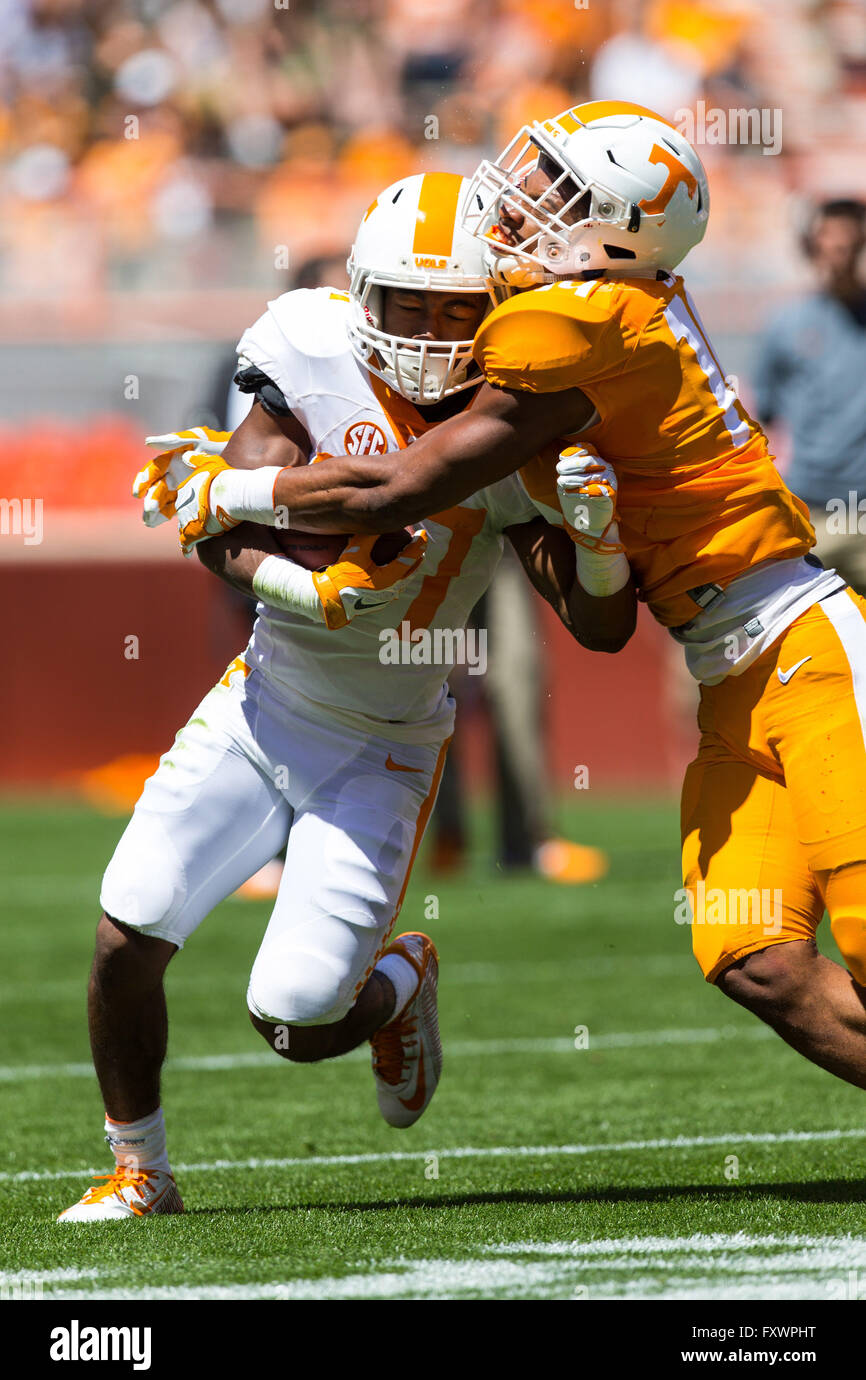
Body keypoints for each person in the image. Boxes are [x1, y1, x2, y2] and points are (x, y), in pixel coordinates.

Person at [175, 101, 866, 1101]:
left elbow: (406, 486)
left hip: (802, 645)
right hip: (726, 667)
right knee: (752, 955)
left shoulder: (584, 319)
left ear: (621, 227)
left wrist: (225, 488)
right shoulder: (585, 304)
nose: (523, 193)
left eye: (559, 186)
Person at [58, 171, 634, 1221]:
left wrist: (597, 550)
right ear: (359, 294)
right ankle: (140, 1169)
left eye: (451, 307)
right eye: (402, 302)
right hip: (266, 696)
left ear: (492, 306)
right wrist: (298, 584)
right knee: (123, 935)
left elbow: (602, 628)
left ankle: (397, 989)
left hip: (385, 742)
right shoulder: (306, 345)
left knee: (292, 1018)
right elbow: (214, 527)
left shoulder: (516, 413)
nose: (422, 328)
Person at [753, 197, 866, 596]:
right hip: (808, 510)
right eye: (829, 241)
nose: (839, 253)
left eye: (850, 243)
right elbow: (762, 414)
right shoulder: (788, 323)